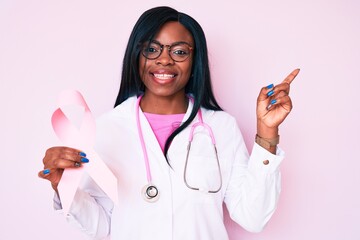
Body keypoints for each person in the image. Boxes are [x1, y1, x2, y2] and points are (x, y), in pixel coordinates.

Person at [38, 6, 299, 240]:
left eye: (179, 51)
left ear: (195, 61)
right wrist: (64, 186)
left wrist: (267, 133)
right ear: (137, 56)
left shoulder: (221, 127)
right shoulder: (107, 128)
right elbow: (101, 225)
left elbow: (252, 218)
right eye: (152, 49)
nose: (164, 59)